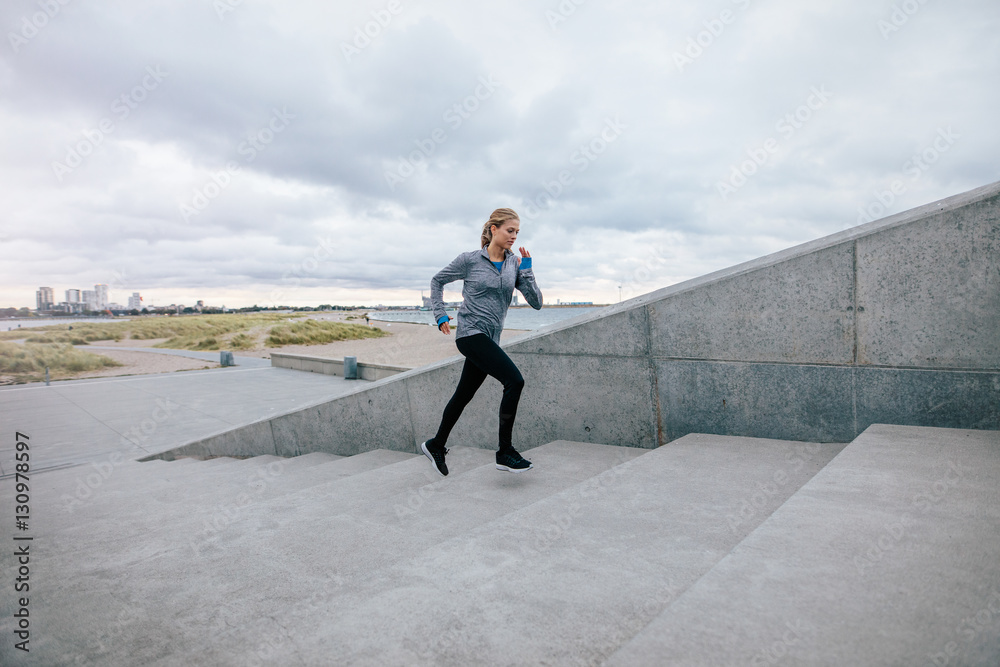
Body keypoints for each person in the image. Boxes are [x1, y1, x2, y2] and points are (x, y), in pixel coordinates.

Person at [420, 208, 543, 476]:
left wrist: (528, 271)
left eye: (517, 232)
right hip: (470, 334)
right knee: (515, 381)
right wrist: (440, 313)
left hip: (491, 339)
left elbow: (536, 304)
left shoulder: (513, 264)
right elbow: (437, 280)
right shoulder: (470, 260)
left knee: (464, 394)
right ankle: (504, 452)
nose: (514, 236)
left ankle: (436, 444)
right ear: (493, 230)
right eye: (510, 230)